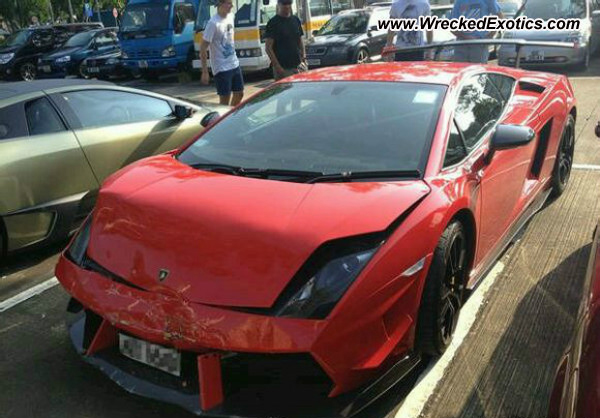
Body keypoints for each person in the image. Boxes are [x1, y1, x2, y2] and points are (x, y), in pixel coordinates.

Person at [200, 0, 244, 106]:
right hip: (221, 67)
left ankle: (230, 116)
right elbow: (203, 47)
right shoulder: (213, 23)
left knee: (240, 93)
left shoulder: (231, 16)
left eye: (231, 3)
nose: (231, 6)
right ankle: (224, 119)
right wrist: (205, 72)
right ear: (219, 4)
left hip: (234, 63)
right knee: (224, 100)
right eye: (228, 3)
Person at [265, 0, 307, 81]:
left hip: (299, 67)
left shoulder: (296, 20)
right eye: (284, 3)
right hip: (284, 69)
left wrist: (304, 58)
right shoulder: (273, 23)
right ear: (279, 4)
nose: (287, 6)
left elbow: (300, 40)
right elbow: (268, 48)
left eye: (289, 3)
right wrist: (278, 67)